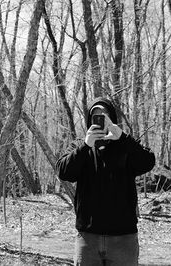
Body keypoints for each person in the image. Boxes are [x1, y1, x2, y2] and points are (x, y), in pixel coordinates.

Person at [56, 97, 155, 266]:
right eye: (96, 115)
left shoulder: (125, 145)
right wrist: (86, 145)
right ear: (89, 120)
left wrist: (122, 137)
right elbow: (63, 172)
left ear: (112, 119)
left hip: (123, 239)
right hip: (88, 239)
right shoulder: (81, 146)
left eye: (104, 114)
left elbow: (147, 162)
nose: (100, 118)